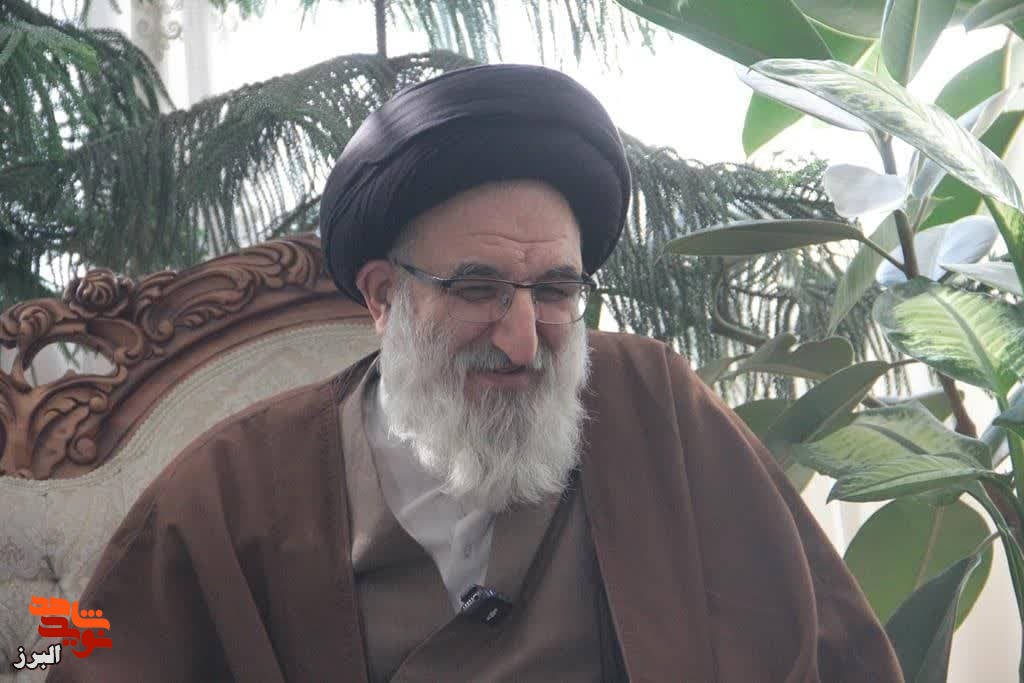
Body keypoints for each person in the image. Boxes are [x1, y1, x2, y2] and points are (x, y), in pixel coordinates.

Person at [49, 64, 903, 682]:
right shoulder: (237, 481)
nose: (524, 340)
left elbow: (834, 649)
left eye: (556, 290)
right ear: (384, 297)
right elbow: (75, 647)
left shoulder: (656, 406)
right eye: (478, 288)